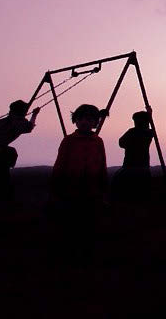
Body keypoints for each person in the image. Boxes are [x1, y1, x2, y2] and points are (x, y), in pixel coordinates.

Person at [50, 104, 108, 262]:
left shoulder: (98, 141)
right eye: (81, 118)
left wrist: (103, 186)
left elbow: (102, 162)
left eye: (89, 119)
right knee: (71, 223)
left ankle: (87, 254)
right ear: (76, 120)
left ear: (95, 122)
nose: (85, 122)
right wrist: (56, 186)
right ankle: (70, 254)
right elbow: (60, 163)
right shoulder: (69, 141)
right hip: (71, 188)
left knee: (89, 223)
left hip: (92, 189)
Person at [112, 110, 154, 201]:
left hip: (130, 166)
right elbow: (121, 143)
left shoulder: (133, 132)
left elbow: (121, 143)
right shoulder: (149, 133)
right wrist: (150, 115)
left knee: (118, 184)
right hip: (142, 166)